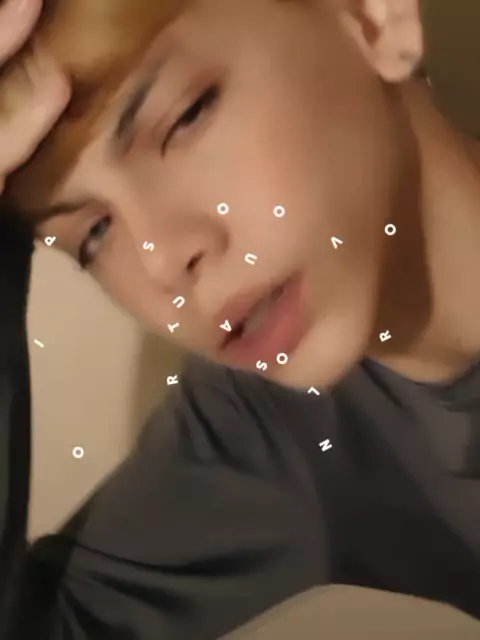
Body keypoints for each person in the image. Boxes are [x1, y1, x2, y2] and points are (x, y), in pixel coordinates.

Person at [1, 0, 480, 637]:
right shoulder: (270, 432)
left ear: (372, 16)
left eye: (185, 117)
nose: (160, 260)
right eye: (93, 236)